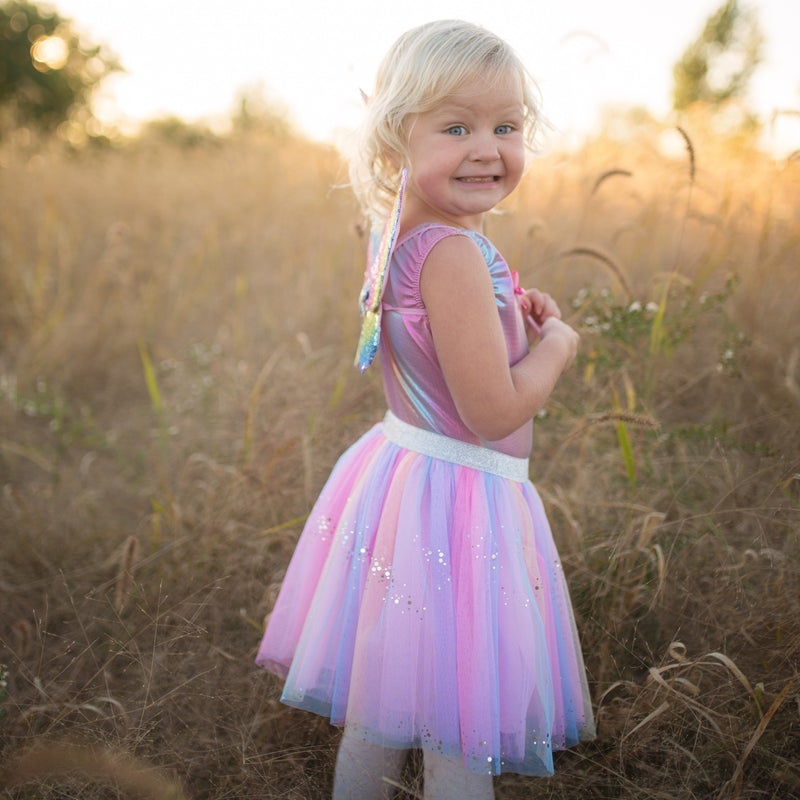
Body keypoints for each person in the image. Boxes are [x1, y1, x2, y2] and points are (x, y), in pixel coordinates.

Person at [256, 19, 595, 799]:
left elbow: (428, 340)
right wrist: (557, 346)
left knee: (385, 700)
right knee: (457, 717)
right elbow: (491, 409)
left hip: (405, 481)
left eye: (506, 126)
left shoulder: (405, 233)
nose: (487, 147)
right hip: (460, 502)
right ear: (394, 140)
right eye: (456, 126)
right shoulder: (453, 254)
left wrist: (511, 313)